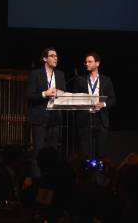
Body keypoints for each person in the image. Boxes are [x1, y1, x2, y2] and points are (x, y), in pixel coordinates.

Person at [28, 47, 66, 177]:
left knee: (53, 152)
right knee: (38, 151)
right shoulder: (36, 74)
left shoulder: (60, 74)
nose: (55, 58)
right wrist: (45, 93)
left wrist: (61, 94)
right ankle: (37, 181)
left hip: (55, 118)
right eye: (52, 56)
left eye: (56, 56)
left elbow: (63, 94)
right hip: (40, 118)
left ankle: (52, 180)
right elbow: (30, 95)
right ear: (45, 58)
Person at [73, 52, 116, 159]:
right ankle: (87, 175)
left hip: (101, 120)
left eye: (90, 61)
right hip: (85, 120)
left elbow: (113, 99)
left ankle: (99, 175)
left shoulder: (106, 80)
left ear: (97, 64)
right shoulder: (81, 80)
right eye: (86, 62)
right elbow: (74, 99)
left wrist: (104, 104)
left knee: (101, 154)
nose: (87, 64)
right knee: (85, 155)